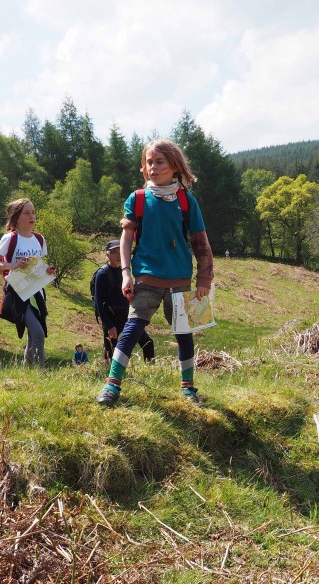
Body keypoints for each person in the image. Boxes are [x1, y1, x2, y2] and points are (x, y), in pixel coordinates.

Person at [97, 139, 214, 407]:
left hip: (180, 279)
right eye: (149, 162)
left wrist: (204, 279)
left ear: (174, 166)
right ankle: (112, 385)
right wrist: (126, 273)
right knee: (133, 327)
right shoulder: (137, 199)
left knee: (183, 333)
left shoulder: (187, 200)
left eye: (159, 161)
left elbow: (200, 242)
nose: (153, 167)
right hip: (146, 277)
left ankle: (188, 388)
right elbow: (126, 239)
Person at [0, 198, 55, 368]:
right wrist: (14, 265)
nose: (32, 216)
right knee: (38, 333)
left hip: (37, 292)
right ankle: (41, 372)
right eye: (26, 213)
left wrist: (48, 271)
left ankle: (27, 371)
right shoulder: (10, 238)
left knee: (33, 335)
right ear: (16, 217)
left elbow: (38, 265)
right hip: (17, 292)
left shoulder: (40, 239)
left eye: (33, 212)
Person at [92, 239, 155, 362]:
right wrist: (109, 326)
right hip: (111, 317)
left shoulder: (125, 272)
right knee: (111, 350)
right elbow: (98, 304)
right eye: (114, 252)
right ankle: (109, 377)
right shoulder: (102, 274)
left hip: (127, 315)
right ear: (107, 254)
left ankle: (152, 371)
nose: (118, 256)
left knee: (147, 343)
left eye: (120, 252)